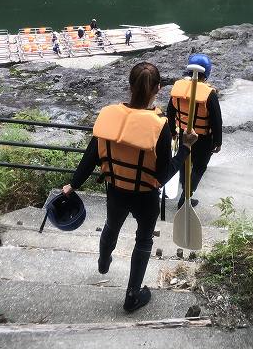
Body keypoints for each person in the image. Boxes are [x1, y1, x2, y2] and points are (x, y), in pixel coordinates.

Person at [63, 62, 197, 312]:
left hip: (116, 189)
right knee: (144, 241)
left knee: (111, 226)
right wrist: (187, 148)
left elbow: (90, 156)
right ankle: (132, 296)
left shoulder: (108, 115)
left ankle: (104, 262)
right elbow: (164, 174)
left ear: (129, 85)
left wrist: (73, 184)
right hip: (145, 195)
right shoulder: (160, 125)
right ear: (158, 88)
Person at [167, 54, 222, 208]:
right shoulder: (209, 94)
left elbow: (170, 112)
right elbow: (217, 120)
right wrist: (218, 142)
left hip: (184, 135)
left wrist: (172, 132)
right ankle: (185, 198)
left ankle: (185, 194)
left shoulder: (178, 89)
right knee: (199, 168)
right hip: (203, 139)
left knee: (185, 164)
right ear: (208, 72)